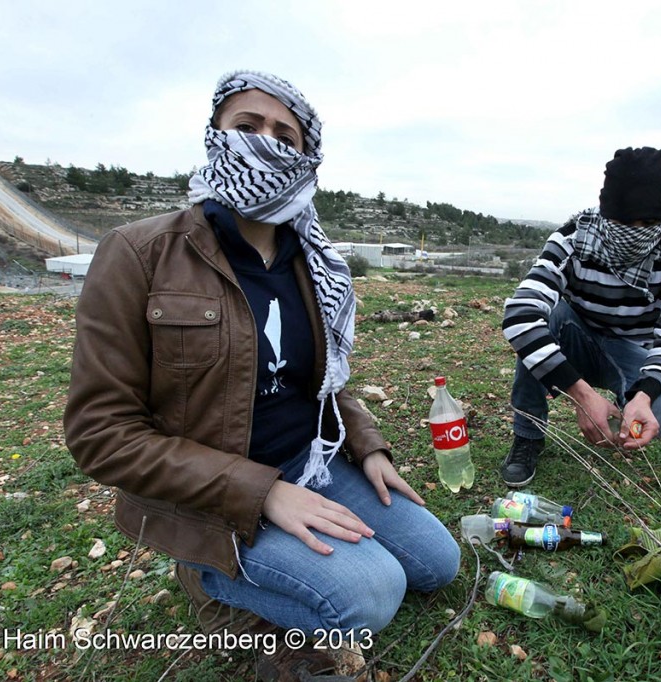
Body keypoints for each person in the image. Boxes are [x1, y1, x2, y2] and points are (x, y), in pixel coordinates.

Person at [64, 70, 460, 681]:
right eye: (247, 126)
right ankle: (209, 582)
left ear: (307, 156)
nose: (266, 143)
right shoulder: (140, 252)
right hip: (215, 498)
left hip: (312, 464)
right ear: (215, 134)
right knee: (372, 595)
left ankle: (291, 563)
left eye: (286, 134)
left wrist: (366, 444)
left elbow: (324, 374)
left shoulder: (311, 257)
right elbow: (101, 433)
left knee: (438, 563)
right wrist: (263, 492)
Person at [499, 147, 661, 487]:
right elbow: (520, 316)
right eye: (622, 222)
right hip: (574, 333)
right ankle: (528, 434)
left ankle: (625, 409)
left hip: (630, 348)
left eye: (647, 224)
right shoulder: (573, 239)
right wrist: (582, 396)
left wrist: (644, 394)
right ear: (605, 210)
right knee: (541, 323)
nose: (633, 232)